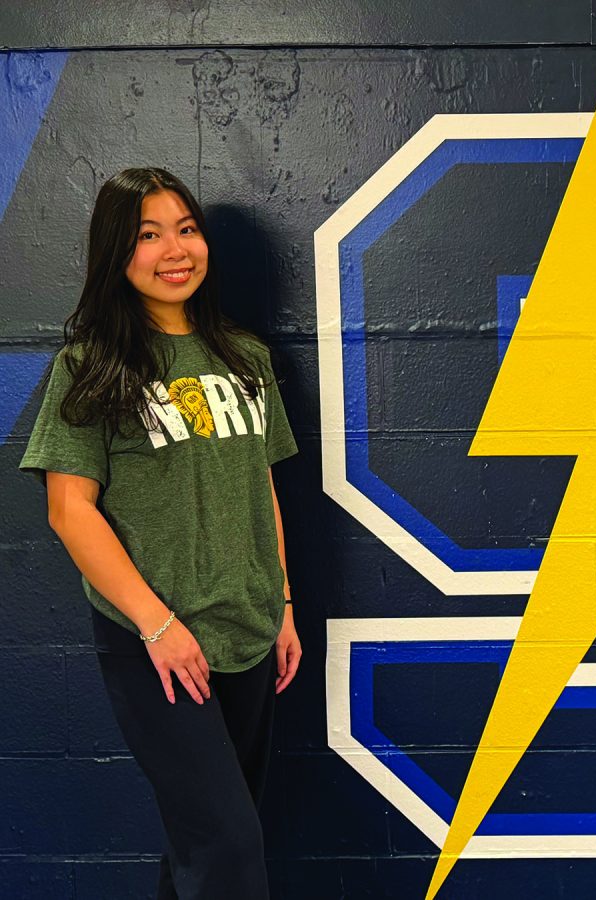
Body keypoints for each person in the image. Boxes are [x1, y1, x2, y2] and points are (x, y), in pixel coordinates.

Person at [19, 168, 300, 899]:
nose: (174, 250)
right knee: (229, 848)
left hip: (249, 629)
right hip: (160, 645)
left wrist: (285, 606)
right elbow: (68, 511)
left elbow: (259, 483)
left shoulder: (246, 357)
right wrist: (158, 626)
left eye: (185, 229)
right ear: (118, 252)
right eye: (148, 235)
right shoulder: (89, 367)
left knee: (202, 853)